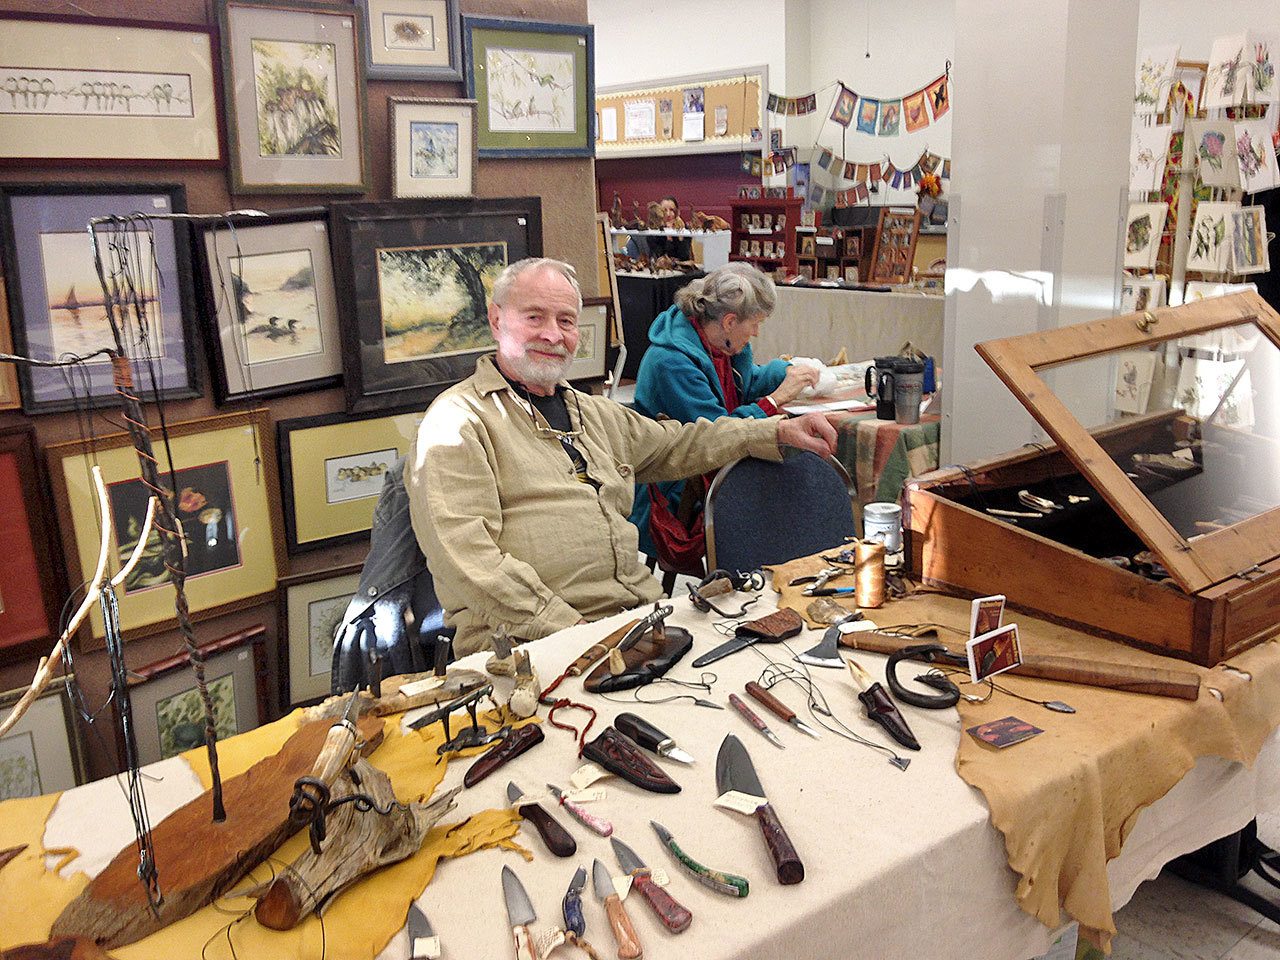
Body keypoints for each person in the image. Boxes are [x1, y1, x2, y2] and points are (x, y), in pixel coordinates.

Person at [405, 257, 836, 657]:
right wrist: (582, 634)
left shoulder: (591, 413)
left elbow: (679, 444)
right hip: (535, 648)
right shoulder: (457, 425)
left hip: (639, 624)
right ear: (496, 320)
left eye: (566, 321)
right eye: (534, 317)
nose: (552, 335)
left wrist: (773, 430)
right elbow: (473, 567)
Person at [628, 262, 820, 563]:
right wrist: (775, 399)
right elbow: (717, 436)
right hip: (676, 491)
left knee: (799, 472)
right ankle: (769, 576)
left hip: (714, 466)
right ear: (730, 321)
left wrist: (788, 371)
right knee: (795, 488)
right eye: (755, 323)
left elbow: (748, 381)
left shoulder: (722, 343)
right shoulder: (671, 362)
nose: (756, 332)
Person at [647, 196, 693, 261]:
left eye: (671, 210)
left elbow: (684, 256)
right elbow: (659, 255)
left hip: (680, 268)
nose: (668, 214)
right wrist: (669, 237)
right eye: (664, 210)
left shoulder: (685, 229)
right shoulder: (653, 231)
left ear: (677, 212)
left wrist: (680, 236)